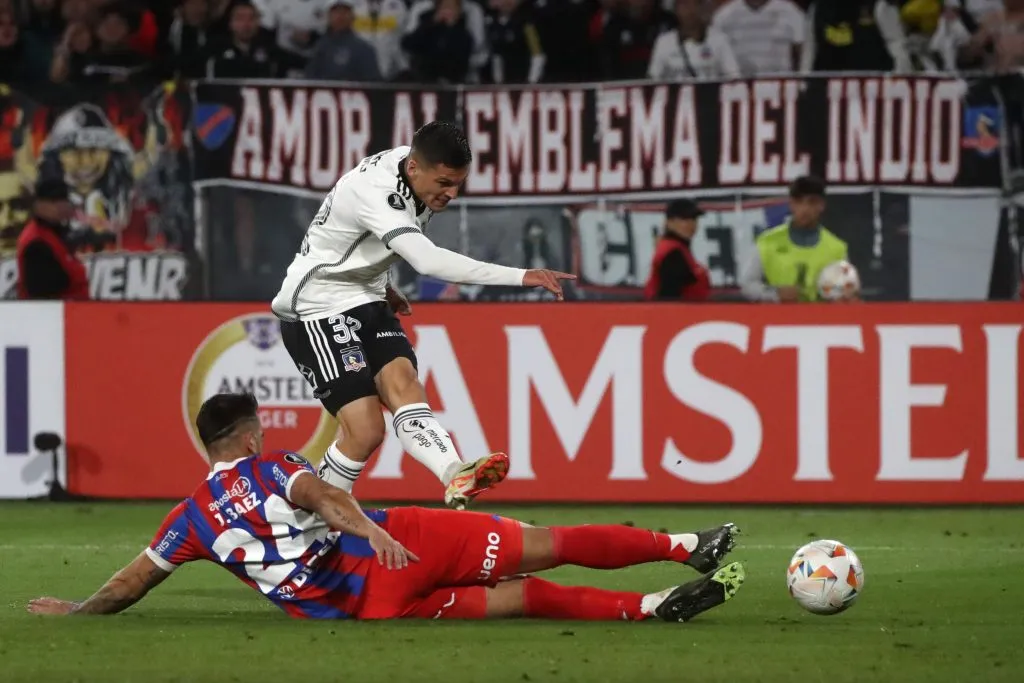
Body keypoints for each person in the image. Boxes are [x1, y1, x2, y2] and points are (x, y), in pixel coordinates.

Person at [27, 393, 744, 622]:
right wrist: (373, 528)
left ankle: (646, 609)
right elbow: (326, 497)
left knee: (522, 601)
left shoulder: (185, 518)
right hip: (395, 545)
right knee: (543, 540)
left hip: (367, 608)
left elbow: (132, 581)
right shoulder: (275, 466)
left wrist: (78, 612)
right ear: (248, 434)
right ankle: (685, 545)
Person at [271, 121, 575, 509]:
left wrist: (382, 286)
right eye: (445, 183)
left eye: (459, 183)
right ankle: (305, 524)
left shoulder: (413, 170)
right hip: (317, 305)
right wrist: (521, 276)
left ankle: (455, 473)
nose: (452, 193)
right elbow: (427, 260)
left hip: (365, 294)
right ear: (415, 168)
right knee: (365, 431)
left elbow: (354, 239)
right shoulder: (377, 190)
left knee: (404, 382)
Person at [740, 175, 848, 303]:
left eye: (811, 202)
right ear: (791, 204)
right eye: (799, 202)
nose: (805, 209)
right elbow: (747, 285)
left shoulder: (837, 248)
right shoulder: (767, 242)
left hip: (819, 320)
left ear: (821, 206)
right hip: (778, 319)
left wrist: (841, 296)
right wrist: (775, 294)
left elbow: (843, 293)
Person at [15, 178, 89, 301]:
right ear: (38, 205)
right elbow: (44, 291)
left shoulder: (55, 234)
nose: (61, 206)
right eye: (54, 201)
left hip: (71, 313)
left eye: (63, 200)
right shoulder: (36, 242)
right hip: (53, 316)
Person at [648, 0, 740, 80]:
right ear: (676, 9)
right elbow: (653, 79)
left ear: (701, 7)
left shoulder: (719, 40)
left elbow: (733, 76)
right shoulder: (664, 42)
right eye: (684, 4)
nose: (689, 10)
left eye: (693, 4)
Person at [644, 198, 711, 302]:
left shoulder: (677, 248)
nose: (691, 224)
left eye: (694, 219)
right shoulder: (673, 253)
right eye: (684, 219)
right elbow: (669, 297)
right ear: (669, 222)